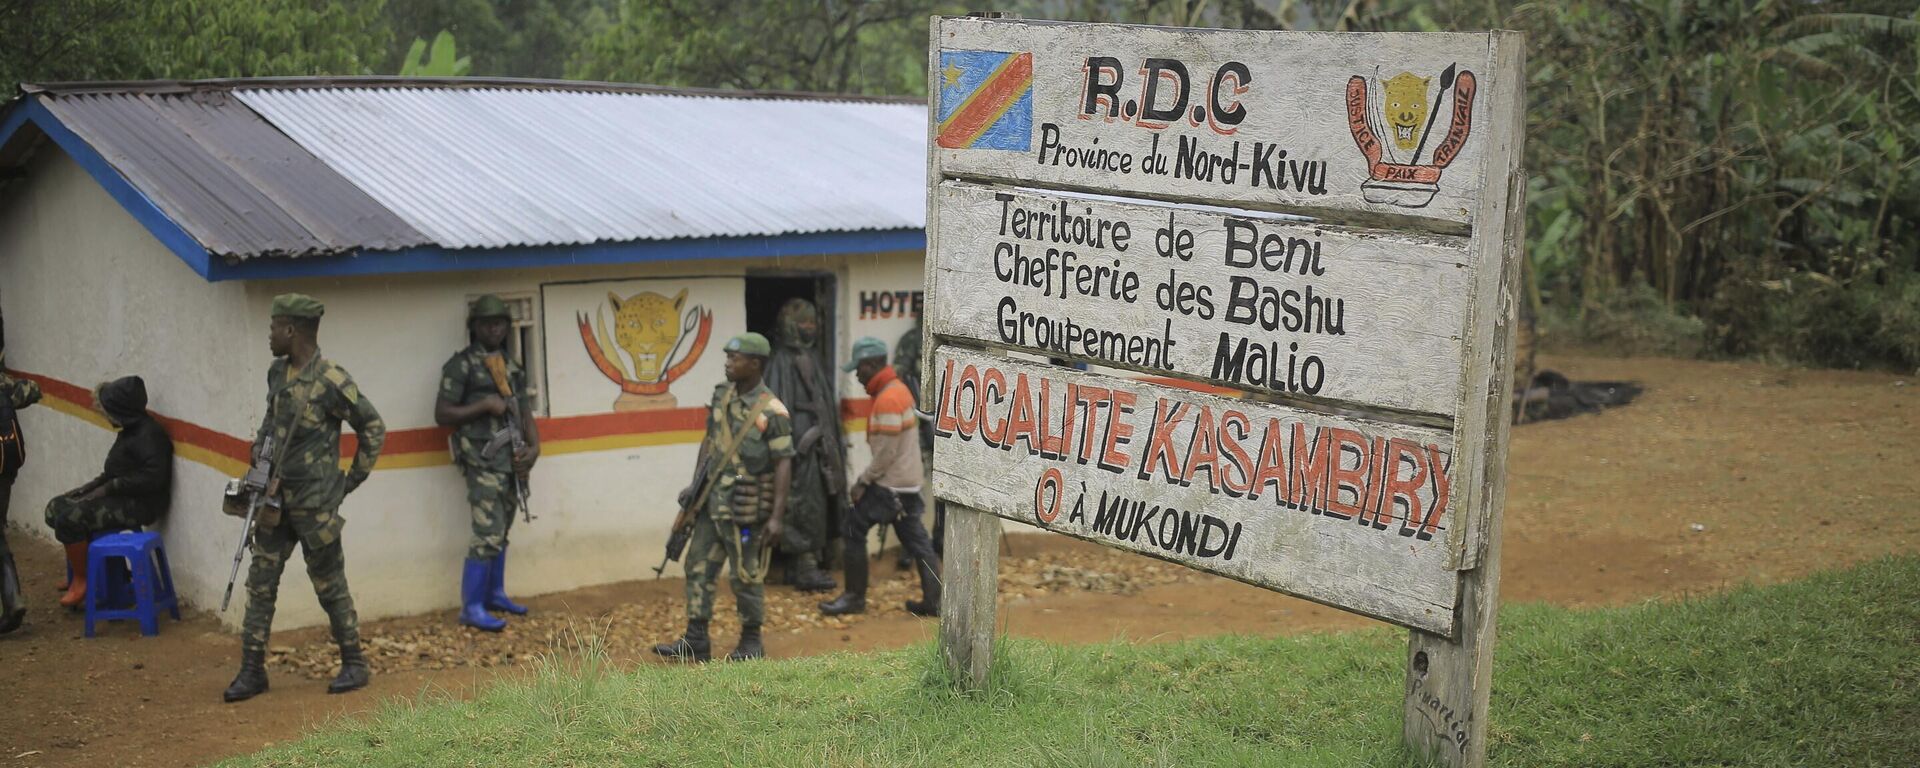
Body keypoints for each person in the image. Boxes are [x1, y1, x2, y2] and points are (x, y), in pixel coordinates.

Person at [224, 294, 386, 703]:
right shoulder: (276, 374)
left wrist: (350, 481)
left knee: (330, 584)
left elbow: (372, 426)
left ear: (292, 330)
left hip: (315, 504)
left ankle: (354, 663)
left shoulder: (331, 380)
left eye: (274, 327)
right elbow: (270, 420)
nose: (270, 335)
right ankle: (251, 671)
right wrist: (259, 452)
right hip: (274, 502)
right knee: (260, 582)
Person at [652, 333, 793, 663]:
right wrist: (695, 485)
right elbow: (711, 441)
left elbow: (784, 462)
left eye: (735, 358)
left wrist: (776, 517)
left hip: (746, 506)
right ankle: (696, 639)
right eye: (728, 357)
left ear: (755, 364)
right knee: (698, 565)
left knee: (745, 573)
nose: (728, 363)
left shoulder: (772, 411)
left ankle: (751, 641)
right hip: (711, 502)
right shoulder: (721, 395)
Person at [434, 295, 541, 632]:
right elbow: (443, 413)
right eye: (486, 323)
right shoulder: (461, 366)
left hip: (511, 460)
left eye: (499, 323)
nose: (494, 328)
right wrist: (484, 406)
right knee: (487, 533)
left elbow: (524, 411)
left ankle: (495, 594)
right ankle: (472, 607)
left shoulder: (511, 367)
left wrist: (535, 448)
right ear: (475, 327)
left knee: (503, 530)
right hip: (482, 461)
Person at [819, 337, 941, 618]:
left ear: (872, 365)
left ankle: (853, 597)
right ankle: (934, 601)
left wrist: (862, 481)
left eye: (859, 369)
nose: (857, 376)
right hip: (907, 483)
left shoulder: (887, 399)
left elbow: (885, 455)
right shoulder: (897, 389)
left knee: (853, 526)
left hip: (892, 485)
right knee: (918, 542)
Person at [44, 376, 172, 608]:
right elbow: (112, 472)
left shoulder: (149, 434)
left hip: (141, 505)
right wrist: (88, 489)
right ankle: (78, 571)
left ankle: (83, 579)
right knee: (57, 507)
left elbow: (153, 478)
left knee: (70, 520)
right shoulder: (129, 431)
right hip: (121, 497)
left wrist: (111, 487)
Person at [760, 298, 842, 593]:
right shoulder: (780, 361)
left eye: (813, 323)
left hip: (819, 447)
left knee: (818, 501)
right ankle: (803, 565)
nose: (812, 329)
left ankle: (808, 562)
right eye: (804, 324)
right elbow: (778, 408)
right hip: (797, 449)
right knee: (800, 502)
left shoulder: (812, 357)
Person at [0, 318, 41, 635]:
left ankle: (13, 601)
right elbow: (32, 391)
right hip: (5, 468)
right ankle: (12, 598)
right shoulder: (5, 385)